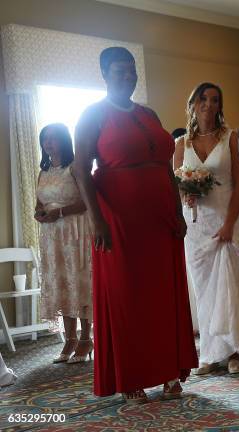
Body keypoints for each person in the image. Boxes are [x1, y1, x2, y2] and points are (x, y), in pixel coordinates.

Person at [73, 47, 197, 404]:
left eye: (131, 71)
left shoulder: (148, 113)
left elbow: (165, 168)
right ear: (104, 74)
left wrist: (176, 212)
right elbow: (81, 170)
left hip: (159, 219)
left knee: (163, 295)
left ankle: (170, 370)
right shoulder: (92, 115)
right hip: (119, 219)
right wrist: (97, 221)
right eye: (119, 71)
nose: (128, 76)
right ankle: (132, 377)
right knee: (128, 297)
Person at [174, 82, 239, 375]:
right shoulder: (181, 144)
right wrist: (186, 193)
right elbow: (177, 181)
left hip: (227, 219)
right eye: (202, 99)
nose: (208, 104)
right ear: (193, 104)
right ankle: (210, 351)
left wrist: (230, 222)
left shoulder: (231, 138)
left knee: (230, 287)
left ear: (220, 105)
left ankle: (236, 352)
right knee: (205, 290)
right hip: (196, 225)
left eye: (214, 99)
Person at [35, 123, 93, 364]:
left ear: (63, 141)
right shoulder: (43, 171)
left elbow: (87, 201)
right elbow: (40, 202)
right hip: (51, 237)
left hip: (75, 232)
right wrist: (39, 212)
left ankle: (85, 339)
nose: (48, 143)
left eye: (53, 138)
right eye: (45, 139)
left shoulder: (75, 167)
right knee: (61, 284)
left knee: (79, 284)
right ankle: (69, 340)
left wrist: (59, 213)